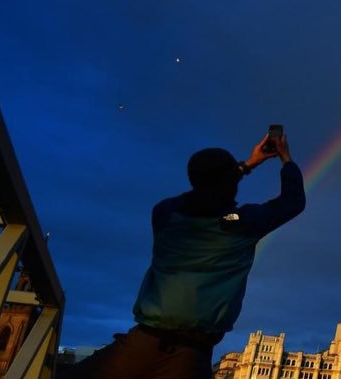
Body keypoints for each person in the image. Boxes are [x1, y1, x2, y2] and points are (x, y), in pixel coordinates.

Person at [67, 132, 305, 378]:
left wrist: (246, 165)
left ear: (193, 180)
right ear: (230, 184)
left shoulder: (165, 214)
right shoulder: (242, 224)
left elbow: (197, 195)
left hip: (141, 342)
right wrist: (285, 158)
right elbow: (293, 201)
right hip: (190, 356)